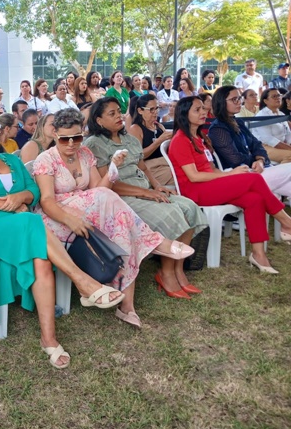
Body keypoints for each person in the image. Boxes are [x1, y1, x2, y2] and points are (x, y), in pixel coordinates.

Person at [0, 111, 126, 368]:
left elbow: (33, 191)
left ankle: (49, 339)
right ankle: (82, 282)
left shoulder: (9, 160)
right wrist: (6, 203)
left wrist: (21, 197)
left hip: (18, 224)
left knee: (41, 260)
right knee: (32, 221)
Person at [34, 109, 185, 327]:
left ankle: (127, 306)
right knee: (115, 215)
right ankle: (154, 242)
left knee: (121, 228)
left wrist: (113, 169)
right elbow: (47, 202)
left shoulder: (85, 153)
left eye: (76, 137)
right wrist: (69, 219)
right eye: (64, 138)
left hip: (88, 212)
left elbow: (98, 189)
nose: (70, 144)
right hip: (57, 218)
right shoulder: (45, 159)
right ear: (55, 134)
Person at [83, 98, 205, 299]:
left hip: (146, 188)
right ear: (99, 120)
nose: (119, 117)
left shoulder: (129, 139)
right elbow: (109, 182)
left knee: (189, 206)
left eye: (119, 112)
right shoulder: (94, 144)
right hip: (121, 196)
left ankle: (178, 269)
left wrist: (157, 186)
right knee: (171, 213)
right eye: (111, 114)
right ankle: (166, 274)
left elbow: (143, 167)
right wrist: (146, 193)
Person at [169, 96, 291, 273]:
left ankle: (258, 255)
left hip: (208, 185)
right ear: (183, 115)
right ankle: (286, 222)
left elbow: (211, 169)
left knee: (254, 199)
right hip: (195, 191)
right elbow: (193, 177)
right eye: (197, 110)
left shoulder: (199, 137)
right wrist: (231, 174)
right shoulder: (180, 139)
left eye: (203, 108)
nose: (203, 112)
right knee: (255, 179)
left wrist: (228, 175)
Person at [209, 86, 291, 197]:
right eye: (234, 99)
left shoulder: (238, 122)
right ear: (221, 102)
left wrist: (260, 160)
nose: (239, 102)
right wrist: (256, 161)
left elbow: (257, 145)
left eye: (239, 98)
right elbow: (235, 159)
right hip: (238, 176)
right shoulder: (218, 129)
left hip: (255, 171)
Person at [128, 94, 174, 185]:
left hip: (165, 164)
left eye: (157, 108)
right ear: (140, 111)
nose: (156, 112)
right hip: (149, 169)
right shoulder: (136, 129)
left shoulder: (159, 126)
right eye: (151, 109)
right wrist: (159, 141)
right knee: (177, 175)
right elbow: (138, 156)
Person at [253, 88, 291, 164]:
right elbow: (268, 139)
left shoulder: (281, 114)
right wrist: (289, 148)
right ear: (265, 101)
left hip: (282, 145)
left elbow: (288, 134)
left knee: (288, 159)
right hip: (264, 147)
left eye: (279, 95)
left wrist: (289, 144)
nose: (278, 98)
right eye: (274, 96)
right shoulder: (262, 116)